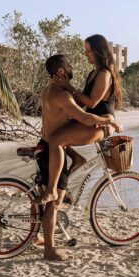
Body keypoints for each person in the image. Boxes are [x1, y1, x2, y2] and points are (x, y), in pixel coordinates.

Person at [36, 53, 119, 261]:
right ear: (61, 71)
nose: (72, 66)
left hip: (46, 145)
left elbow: (71, 118)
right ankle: (49, 251)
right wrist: (109, 120)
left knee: (42, 196)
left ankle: (36, 237)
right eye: (68, 64)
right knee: (54, 202)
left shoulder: (53, 89)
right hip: (52, 150)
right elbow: (84, 117)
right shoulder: (60, 94)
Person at [46, 33, 123, 190]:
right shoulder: (93, 73)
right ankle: (76, 161)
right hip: (92, 121)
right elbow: (82, 102)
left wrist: (68, 87)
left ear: (98, 52)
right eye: (86, 50)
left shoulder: (104, 74)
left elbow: (92, 102)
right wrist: (62, 101)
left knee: (56, 140)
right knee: (51, 133)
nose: (85, 54)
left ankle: (54, 188)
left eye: (88, 51)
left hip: (101, 124)